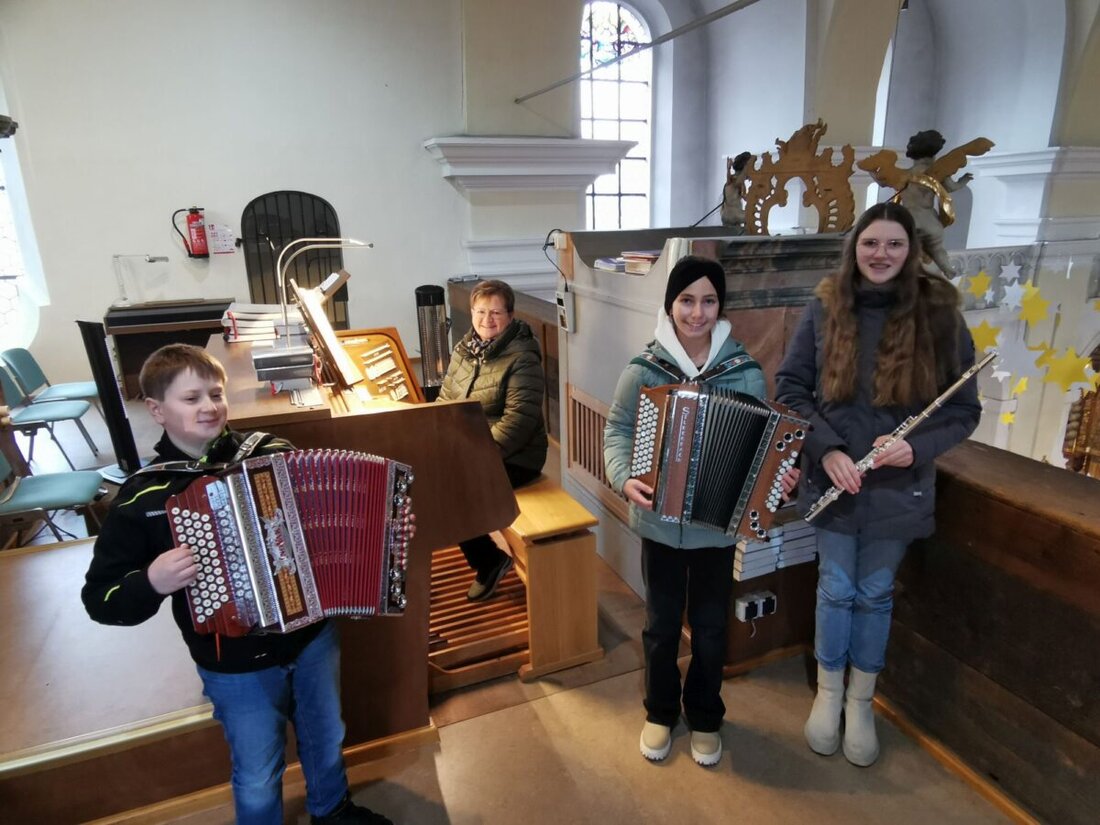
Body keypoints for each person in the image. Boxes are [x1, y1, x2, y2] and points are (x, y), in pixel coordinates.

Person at [82, 344, 393, 825]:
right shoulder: (142, 497)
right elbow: (100, 600)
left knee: (326, 735)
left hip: (311, 637)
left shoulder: (271, 454)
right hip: (234, 662)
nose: (209, 407)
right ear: (157, 410)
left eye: (215, 393)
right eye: (191, 398)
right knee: (256, 769)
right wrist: (152, 580)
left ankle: (332, 811)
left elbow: (332, 528)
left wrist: (384, 535)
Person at [775, 202, 981, 767]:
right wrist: (829, 448)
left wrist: (917, 446)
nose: (881, 254)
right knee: (836, 589)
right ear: (855, 248)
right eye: (871, 243)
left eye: (894, 244)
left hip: (898, 486)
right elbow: (790, 389)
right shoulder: (824, 307)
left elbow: (963, 411)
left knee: (874, 595)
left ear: (911, 251)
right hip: (835, 480)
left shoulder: (939, 314)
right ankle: (829, 695)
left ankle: (862, 703)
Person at [603, 255, 767, 767]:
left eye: (708, 301)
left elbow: (763, 447)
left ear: (721, 307)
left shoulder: (745, 374)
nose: (697, 313)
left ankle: (705, 715)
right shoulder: (644, 370)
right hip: (660, 525)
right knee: (661, 624)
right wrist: (623, 475)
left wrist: (773, 480)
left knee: (713, 627)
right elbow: (619, 429)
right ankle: (659, 711)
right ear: (670, 306)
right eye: (686, 301)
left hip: (716, 532)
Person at [438, 279, 548, 601]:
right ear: (472, 312)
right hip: (472, 450)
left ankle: (489, 561)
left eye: (496, 312)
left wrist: (476, 458)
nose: (488, 319)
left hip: (517, 456)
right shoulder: (465, 349)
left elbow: (518, 422)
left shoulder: (523, 356)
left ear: (510, 316)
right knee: (430, 475)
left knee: (454, 492)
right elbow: (446, 400)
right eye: (481, 311)